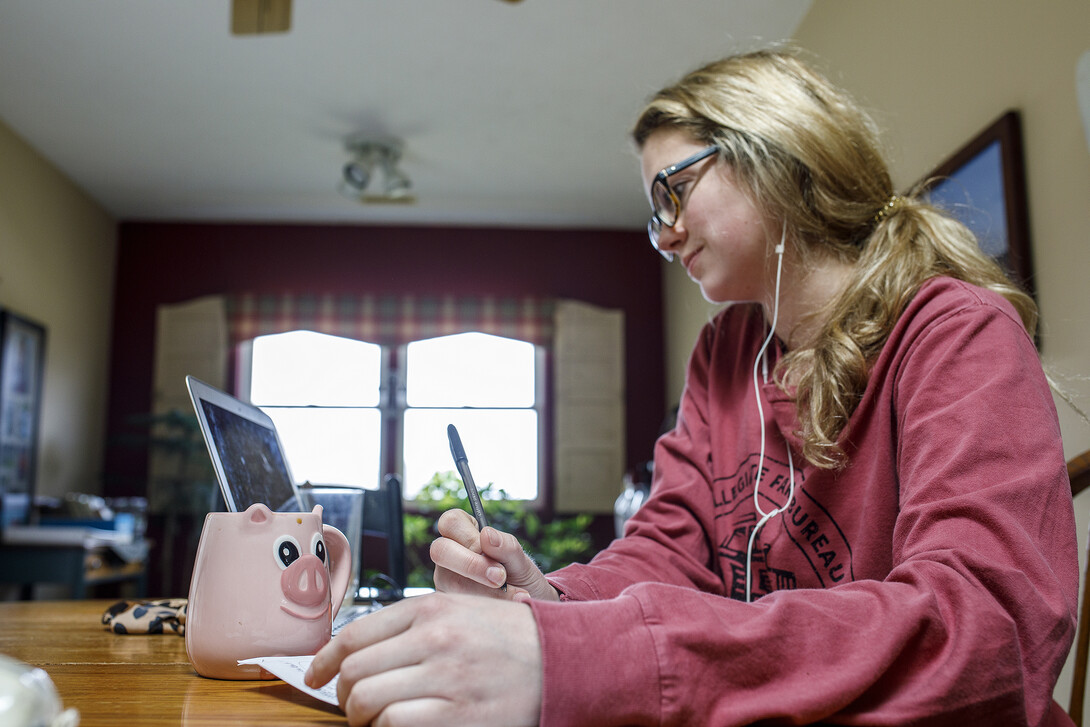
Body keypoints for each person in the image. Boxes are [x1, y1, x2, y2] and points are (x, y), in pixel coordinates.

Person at [305, 49, 1080, 726]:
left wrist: (589, 658)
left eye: (673, 190)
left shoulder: (957, 332)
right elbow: (672, 545)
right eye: (653, 215)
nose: (666, 234)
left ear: (773, 146)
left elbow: (986, 636)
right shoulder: (727, 350)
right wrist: (548, 603)